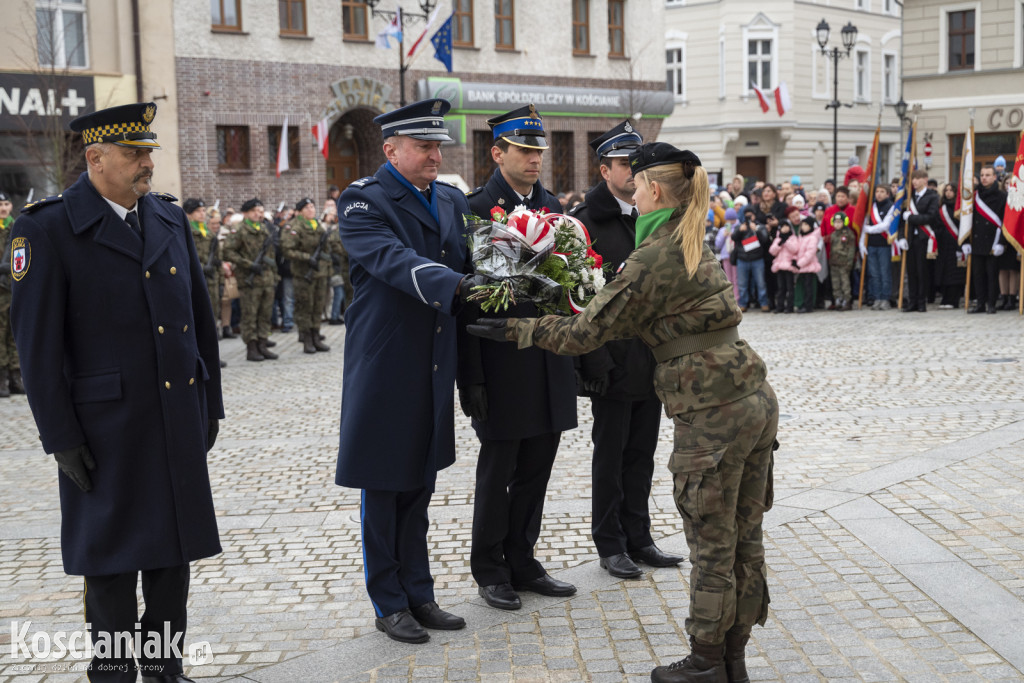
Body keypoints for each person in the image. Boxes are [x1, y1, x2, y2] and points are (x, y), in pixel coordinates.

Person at [467, 142, 777, 683]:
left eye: (637, 185)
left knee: (711, 542)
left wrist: (517, 329)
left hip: (712, 412)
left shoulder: (654, 253)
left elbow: (588, 330)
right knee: (744, 538)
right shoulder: (688, 236)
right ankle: (733, 658)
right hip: (751, 398)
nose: (631, 192)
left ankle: (706, 662)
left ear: (654, 189)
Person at [9, 102, 223, 683]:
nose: (146, 164)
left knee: (172, 558)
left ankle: (164, 669)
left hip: (175, 413)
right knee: (110, 564)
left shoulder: (167, 218)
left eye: (148, 152)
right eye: (133, 154)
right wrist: (61, 438)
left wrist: (212, 405)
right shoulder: (46, 228)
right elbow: (37, 349)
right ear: (94, 158)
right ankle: (112, 674)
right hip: (105, 430)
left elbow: (199, 319)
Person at [335, 98, 471, 644]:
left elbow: (478, 258)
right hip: (386, 364)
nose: (436, 154)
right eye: (424, 146)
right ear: (391, 151)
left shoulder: (452, 200)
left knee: (420, 486)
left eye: (439, 145)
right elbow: (394, 260)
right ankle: (388, 600)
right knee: (384, 488)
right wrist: (457, 287)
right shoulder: (363, 202)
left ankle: (420, 592)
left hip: (434, 360)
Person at [460, 104, 579, 611]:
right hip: (502, 365)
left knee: (537, 468)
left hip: (548, 359)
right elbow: (466, 302)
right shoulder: (475, 209)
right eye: (524, 151)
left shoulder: (552, 206)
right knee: (499, 469)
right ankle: (490, 568)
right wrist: (472, 378)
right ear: (497, 152)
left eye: (538, 151)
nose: (534, 160)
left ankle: (523, 560)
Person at [570, 121, 683, 580]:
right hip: (612, 360)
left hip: (650, 358)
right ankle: (610, 542)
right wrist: (595, 362)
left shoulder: (652, 213)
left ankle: (640, 536)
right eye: (623, 163)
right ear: (604, 170)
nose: (633, 170)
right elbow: (578, 296)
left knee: (642, 454)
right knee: (611, 456)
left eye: (637, 163)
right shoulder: (585, 220)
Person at [223, 198, 280, 360]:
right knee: (250, 314)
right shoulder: (239, 230)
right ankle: (251, 347)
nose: (258, 214)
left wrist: (274, 274)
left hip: (266, 278)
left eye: (260, 210)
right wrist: (248, 264)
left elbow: (270, 254)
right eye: (254, 211)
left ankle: (263, 343)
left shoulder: (264, 229)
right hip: (249, 279)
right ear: (245, 213)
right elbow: (228, 251)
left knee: (265, 313)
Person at [282, 197, 331, 354]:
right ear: (300, 211)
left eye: (312, 207)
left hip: (319, 272)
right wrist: (307, 258)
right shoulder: (294, 226)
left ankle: (316, 336)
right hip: (304, 274)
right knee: (305, 307)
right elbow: (286, 249)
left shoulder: (317, 225)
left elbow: (326, 246)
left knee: (318, 306)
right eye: (307, 207)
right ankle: (307, 339)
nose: (311, 210)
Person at [184, 198, 226, 368]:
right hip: (195, 283)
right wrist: (201, 267)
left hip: (212, 281)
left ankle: (212, 355)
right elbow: (184, 259)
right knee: (196, 320)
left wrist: (221, 281)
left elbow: (218, 259)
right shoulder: (186, 233)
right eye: (198, 211)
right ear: (189, 214)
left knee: (212, 319)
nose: (202, 214)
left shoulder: (208, 234)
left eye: (203, 211)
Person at [964, 164, 1007, 314]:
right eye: (982, 175)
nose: (984, 178)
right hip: (976, 240)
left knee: (992, 275)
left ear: (995, 177)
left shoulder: (1002, 196)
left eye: (988, 175)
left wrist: (1001, 243)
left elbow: (1005, 221)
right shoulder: (974, 195)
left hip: (993, 241)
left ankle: (991, 304)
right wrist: (964, 241)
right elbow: (966, 219)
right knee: (978, 275)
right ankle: (980, 304)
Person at [897, 170, 938, 313]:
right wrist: (901, 237)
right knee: (911, 271)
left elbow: (931, 217)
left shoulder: (932, 196)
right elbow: (902, 221)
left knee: (922, 272)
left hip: (924, 238)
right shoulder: (908, 198)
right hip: (910, 239)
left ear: (925, 180)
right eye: (913, 179)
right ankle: (912, 301)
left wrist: (912, 218)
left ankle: (922, 302)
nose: (915, 181)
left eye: (918, 178)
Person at [0, 190, 24, 397]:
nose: (3, 209)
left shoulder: (17, 227)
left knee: (13, 334)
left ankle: (16, 377)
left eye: (6, 204)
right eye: (0, 205)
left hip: (13, 288)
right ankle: (2, 380)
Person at [860, 184, 895, 310]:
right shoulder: (871, 207)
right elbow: (863, 226)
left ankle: (885, 298)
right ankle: (877, 298)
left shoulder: (890, 207)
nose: (879, 194)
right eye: (877, 191)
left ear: (887, 194)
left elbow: (885, 226)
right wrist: (862, 243)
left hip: (884, 244)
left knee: (884, 273)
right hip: (871, 245)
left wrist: (869, 229)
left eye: (882, 191)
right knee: (874, 274)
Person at [731, 208, 770, 312]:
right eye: (747, 215)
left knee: (760, 283)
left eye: (750, 215)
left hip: (757, 259)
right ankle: (743, 304)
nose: (749, 218)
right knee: (742, 284)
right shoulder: (740, 226)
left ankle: (764, 303)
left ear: (754, 216)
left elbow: (765, 240)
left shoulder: (760, 227)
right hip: (742, 259)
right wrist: (740, 231)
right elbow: (733, 238)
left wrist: (756, 229)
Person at [935, 183, 966, 309]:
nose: (948, 193)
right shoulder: (941, 208)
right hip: (943, 243)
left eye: (951, 190)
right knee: (944, 271)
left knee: (955, 272)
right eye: (946, 190)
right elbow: (936, 223)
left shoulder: (960, 207)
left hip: (956, 243)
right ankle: (945, 297)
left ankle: (954, 299)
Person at [769, 214, 800, 313]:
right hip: (779, 266)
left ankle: (790, 307)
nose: (785, 229)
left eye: (786, 226)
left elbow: (795, 249)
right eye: (782, 227)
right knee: (781, 288)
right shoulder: (778, 239)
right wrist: (779, 244)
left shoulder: (792, 238)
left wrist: (786, 242)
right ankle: (780, 306)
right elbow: (772, 251)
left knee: (790, 287)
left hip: (789, 266)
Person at [795, 216, 823, 314]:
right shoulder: (801, 237)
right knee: (803, 287)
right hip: (801, 267)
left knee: (809, 287)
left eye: (806, 225)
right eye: (802, 224)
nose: (803, 227)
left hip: (808, 267)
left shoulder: (812, 238)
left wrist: (799, 263)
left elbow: (810, 253)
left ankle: (808, 306)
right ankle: (803, 303)